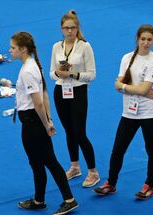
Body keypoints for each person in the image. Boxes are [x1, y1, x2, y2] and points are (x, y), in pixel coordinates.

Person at [10, 31, 79, 215]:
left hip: (32, 123)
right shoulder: (32, 66)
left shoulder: (27, 71)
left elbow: (39, 101)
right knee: (38, 162)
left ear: (23, 49)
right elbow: (45, 94)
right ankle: (39, 200)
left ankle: (69, 200)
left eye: (13, 48)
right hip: (35, 121)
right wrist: (48, 119)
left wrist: (46, 122)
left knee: (48, 161)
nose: (10, 51)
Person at [93, 25, 153, 200]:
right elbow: (120, 86)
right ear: (137, 39)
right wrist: (137, 89)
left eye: (149, 39)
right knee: (118, 149)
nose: (145, 43)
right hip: (129, 112)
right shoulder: (126, 58)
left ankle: (150, 185)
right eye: (143, 39)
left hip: (150, 114)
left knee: (151, 149)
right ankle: (111, 183)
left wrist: (127, 87)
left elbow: (136, 87)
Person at [50, 10, 99, 188]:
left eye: (72, 28)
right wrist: (58, 73)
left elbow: (92, 75)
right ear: (61, 29)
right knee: (69, 132)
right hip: (60, 92)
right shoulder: (56, 46)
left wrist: (73, 73)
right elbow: (51, 73)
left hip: (78, 92)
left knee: (80, 133)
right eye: (66, 28)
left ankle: (93, 171)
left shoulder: (85, 46)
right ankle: (75, 167)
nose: (69, 31)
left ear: (77, 28)